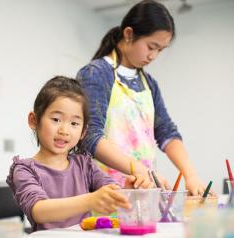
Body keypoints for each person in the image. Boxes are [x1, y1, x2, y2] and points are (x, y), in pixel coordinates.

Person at [76, 0, 205, 195]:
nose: (153, 56)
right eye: (151, 46)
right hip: (103, 191)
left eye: (160, 50)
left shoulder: (149, 84)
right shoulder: (96, 74)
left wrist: (191, 175)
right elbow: (89, 136)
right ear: (129, 34)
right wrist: (141, 170)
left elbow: (167, 132)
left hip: (142, 191)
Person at [6, 76, 138, 232]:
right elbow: (39, 211)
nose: (64, 130)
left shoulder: (85, 165)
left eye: (74, 123)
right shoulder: (24, 170)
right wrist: (89, 200)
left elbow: (109, 190)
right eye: (56, 119)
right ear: (34, 120)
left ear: (83, 132)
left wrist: (127, 192)